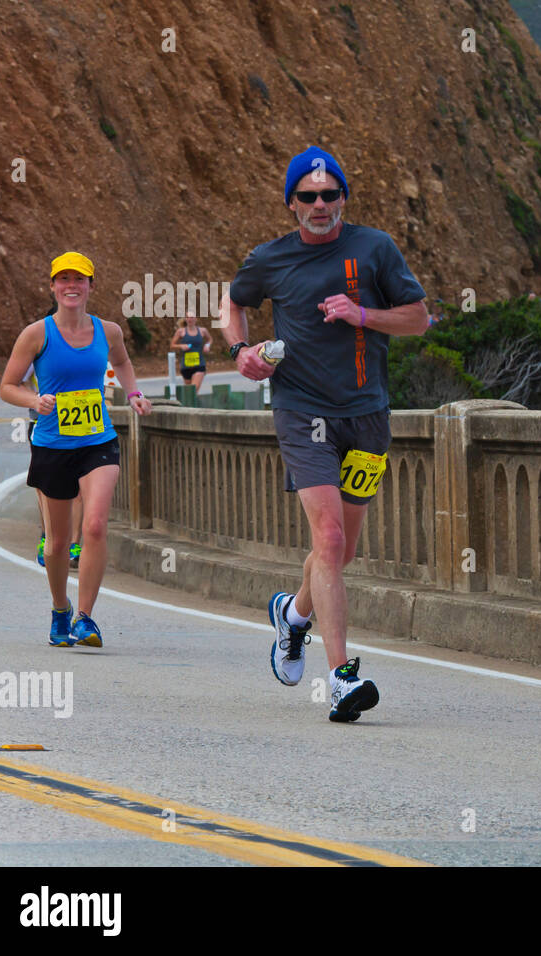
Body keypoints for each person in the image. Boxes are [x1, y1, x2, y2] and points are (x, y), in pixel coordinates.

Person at [219, 146, 429, 723]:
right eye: (307, 196)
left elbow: (418, 318)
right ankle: (340, 679)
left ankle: (292, 616)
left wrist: (364, 314)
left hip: (368, 416)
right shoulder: (270, 259)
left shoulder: (375, 248)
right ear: (291, 203)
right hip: (301, 412)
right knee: (330, 540)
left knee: (342, 551)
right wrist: (241, 352)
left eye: (329, 194)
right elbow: (232, 307)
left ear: (344, 199)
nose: (319, 205)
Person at [0, 252, 153, 648]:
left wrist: (134, 393)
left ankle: (85, 618)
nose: (71, 285)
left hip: (97, 442)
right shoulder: (37, 334)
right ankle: (60, 608)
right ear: (52, 286)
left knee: (96, 524)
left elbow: (122, 362)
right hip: (52, 445)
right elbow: (8, 385)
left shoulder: (109, 331)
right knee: (57, 544)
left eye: (79, 279)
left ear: (90, 286)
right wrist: (34, 402)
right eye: (63, 279)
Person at [170, 311, 213, 390]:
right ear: (185, 319)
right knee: (188, 393)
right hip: (186, 366)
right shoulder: (181, 331)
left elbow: (210, 339)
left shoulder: (202, 331)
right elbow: (172, 345)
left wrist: (207, 345)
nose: (190, 319)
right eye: (188, 317)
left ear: (196, 319)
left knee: (193, 391)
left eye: (192, 317)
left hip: (199, 365)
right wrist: (181, 346)